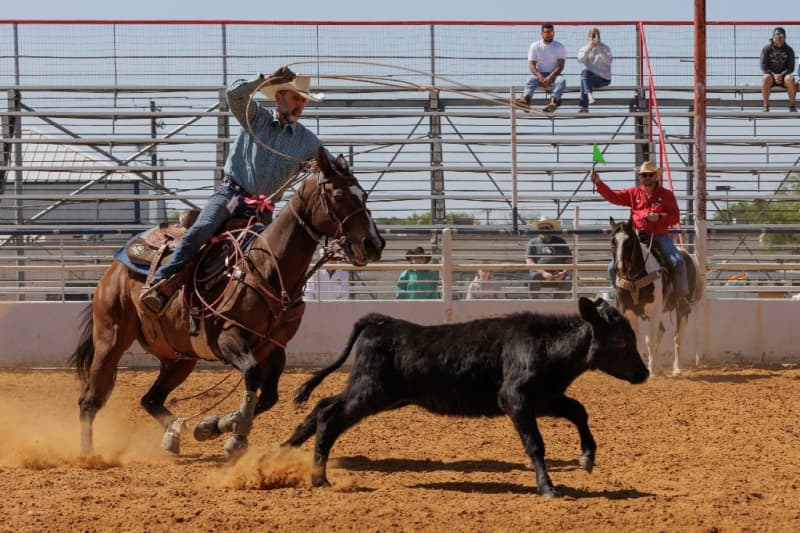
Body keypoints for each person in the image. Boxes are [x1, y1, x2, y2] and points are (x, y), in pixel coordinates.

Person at [141, 67, 328, 313]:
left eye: (303, 101)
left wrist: (321, 166)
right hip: (232, 195)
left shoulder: (307, 141)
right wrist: (264, 80)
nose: (300, 106)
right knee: (203, 228)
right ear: (278, 97)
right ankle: (161, 282)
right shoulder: (256, 118)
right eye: (296, 98)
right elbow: (234, 94)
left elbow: (330, 165)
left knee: (273, 257)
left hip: (263, 212)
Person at [591, 161, 691, 314]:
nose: (647, 178)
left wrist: (659, 217)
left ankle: (681, 298)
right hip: (637, 238)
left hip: (659, 236)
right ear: (640, 177)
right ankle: (620, 295)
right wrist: (598, 183)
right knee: (612, 268)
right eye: (644, 175)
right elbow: (613, 196)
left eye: (650, 175)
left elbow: (675, 217)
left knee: (678, 261)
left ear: (656, 176)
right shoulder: (633, 193)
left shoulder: (666, 195)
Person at [516, 23, 567, 114]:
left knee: (561, 81)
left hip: (554, 74)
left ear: (554, 33)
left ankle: (554, 101)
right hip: (540, 73)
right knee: (531, 80)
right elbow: (531, 64)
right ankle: (526, 101)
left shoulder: (559, 46)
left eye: (551, 32)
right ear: (542, 33)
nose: (548, 34)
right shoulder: (535, 46)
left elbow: (561, 65)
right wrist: (540, 76)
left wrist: (550, 77)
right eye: (546, 32)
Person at [526, 217, 573, 299]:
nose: (544, 230)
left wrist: (563, 272)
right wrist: (543, 273)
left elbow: (569, 260)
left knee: (569, 278)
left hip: (558, 275)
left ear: (551, 229)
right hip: (540, 275)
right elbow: (530, 262)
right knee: (534, 276)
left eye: (546, 228)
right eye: (542, 228)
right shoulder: (532, 242)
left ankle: (557, 302)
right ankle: (534, 303)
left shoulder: (561, 241)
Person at [576, 27, 613, 113]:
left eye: (596, 35)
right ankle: (589, 95)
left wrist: (601, 50)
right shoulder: (585, 48)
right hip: (590, 79)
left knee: (584, 78)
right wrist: (589, 48)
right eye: (592, 36)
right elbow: (580, 59)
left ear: (599, 36)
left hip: (603, 79)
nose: (594, 38)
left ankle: (584, 106)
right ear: (589, 37)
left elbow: (609, 61)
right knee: (585, 74)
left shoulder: (605, 48)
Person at [760, 27, 796, 112]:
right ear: (773, 37)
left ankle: (792, 106)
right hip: (771, 77)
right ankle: (766, 106)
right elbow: (763, 66)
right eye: (777, 35)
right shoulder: (766, 49)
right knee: (765, 78)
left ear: (785, 37)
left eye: (781, 35)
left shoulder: (789, 50)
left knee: (791, 79)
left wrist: (781, 75)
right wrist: (773, 75)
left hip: (784, 77)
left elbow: (791, 67)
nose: (779, 37)